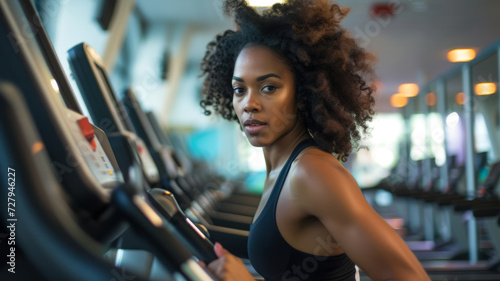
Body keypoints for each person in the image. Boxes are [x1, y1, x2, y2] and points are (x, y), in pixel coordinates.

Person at [199, 0, 430, 280]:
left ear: (303, 92)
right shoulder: (281, 169)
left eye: (268, 87)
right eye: (239, 89)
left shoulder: (312, 172)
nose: (249, 104)